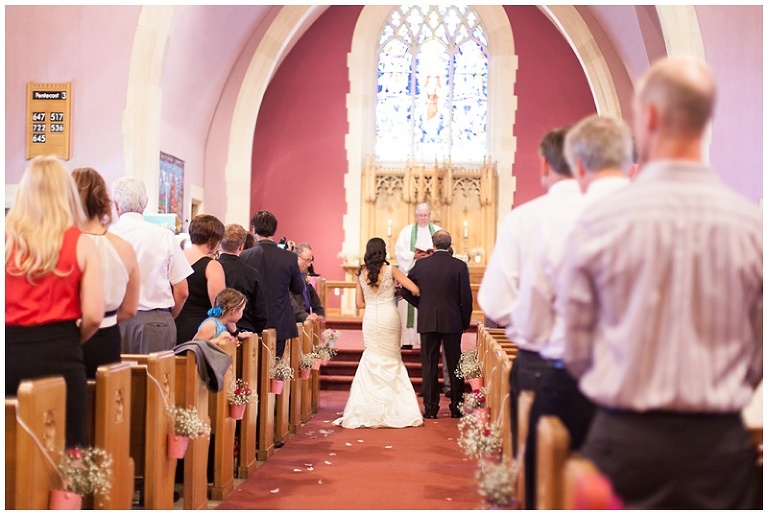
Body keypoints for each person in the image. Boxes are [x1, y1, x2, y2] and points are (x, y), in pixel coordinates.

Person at [558, 57, 762, 509]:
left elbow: (575, 348)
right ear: (707, 117)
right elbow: (756, 356)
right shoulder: (751, 226)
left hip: (626, 445)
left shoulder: (600, 222)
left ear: (648, 116)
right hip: (720, 450)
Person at [515, 115, 632, 508]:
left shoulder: (557, 219)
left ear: (578, 165)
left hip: (572, 381)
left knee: (548, 482)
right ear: (630, 162)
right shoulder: (666, 213)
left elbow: (530, 320)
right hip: (646, 395)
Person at [477, 126, 580, 456]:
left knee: (541, 469)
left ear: (545, 165)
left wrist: (531, 325)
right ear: (583, 162)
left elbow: (495, 301)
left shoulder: (524, 219)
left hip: (542, 363)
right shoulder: (614, 215)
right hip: (603, 371)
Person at [6, 155, 104, 447]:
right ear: (66, 195)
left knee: (11, 446)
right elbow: (94, 315)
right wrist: (71, 338)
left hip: (8, 352)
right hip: (60, 351)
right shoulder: (81, 243)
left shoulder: (6, 241)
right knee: (65, 448)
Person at [333, 237, 424, 428]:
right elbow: (415, 289)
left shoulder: (361, 273)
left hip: (371, 319)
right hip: (388, 316)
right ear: (383, 251)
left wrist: (374, 301)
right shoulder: (391, 270)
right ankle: (395, 408)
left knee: (372, 357)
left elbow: (359, 304)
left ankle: (368, 407)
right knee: (392, 359)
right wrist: (395, 293)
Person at [72, 167, 141, 378]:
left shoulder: (66, 244)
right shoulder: (124, 247)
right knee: (107, 403)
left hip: (71, 336)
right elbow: (130, 309)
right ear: (103, 200)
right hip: (107, 338)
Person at [110, 177, 192, 354]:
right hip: (156, 320)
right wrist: (166, 316)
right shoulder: (164, 236)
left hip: (113, 320)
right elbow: (182, 290)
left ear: (116, 205)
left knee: (115, 380)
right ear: (145, 203)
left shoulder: (105, 236)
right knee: (156, 379)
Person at [401, 230, 473, 419]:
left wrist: (422, 305)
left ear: (434, 244)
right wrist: (464, 322)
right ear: (449, 245)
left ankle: (431, 409)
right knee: (455, 364)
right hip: (453, 320)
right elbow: (466, 297)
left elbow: (405, 290)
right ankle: (457, 408)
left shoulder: (422, 265)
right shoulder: (459, 266)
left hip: (428, 321)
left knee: (429, 364)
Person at [241, 210, 305, 359]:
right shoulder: (289, 257)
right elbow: (298, 288)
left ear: (253, 229)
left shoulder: (245, 256)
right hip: (280, 319)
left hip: (251, 320)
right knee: (274, 369)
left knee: (251, 369)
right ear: (274, 230)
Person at [394, 203, 440, 349]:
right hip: (411, 275)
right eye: (420, 215)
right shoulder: (407, 232)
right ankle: (407, 340)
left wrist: (431, 256)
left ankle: (426, 340)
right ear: (416, 216)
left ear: (430, 216)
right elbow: (399, 252)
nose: (423, 218)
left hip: (431, 278)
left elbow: (445, 250)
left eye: (426, 215)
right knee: (408, 308)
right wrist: (414, 255)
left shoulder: (438, 231)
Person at [175, 214, 226, 344]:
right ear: (211, 240)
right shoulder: (212, 265)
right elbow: (218, 306)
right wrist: (233, 331)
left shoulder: (176, 258)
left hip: (173, 322)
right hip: (200, 328)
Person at [217, 223, 269, 335]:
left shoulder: (211, 268)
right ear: (241, 246)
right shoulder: (251, 273)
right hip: (245, 329)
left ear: (221, 244)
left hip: (216, 330)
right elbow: (260, 311)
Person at [290, 242, 326, 325]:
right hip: (294, 320)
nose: (309, 264)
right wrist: (305, 316)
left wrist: (319, 312)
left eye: (311, 260)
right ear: (297, 258)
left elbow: (312, 295)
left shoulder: (303, 275)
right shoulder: (288, 275)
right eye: (307, 260)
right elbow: (289, 299)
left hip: (304, 319)